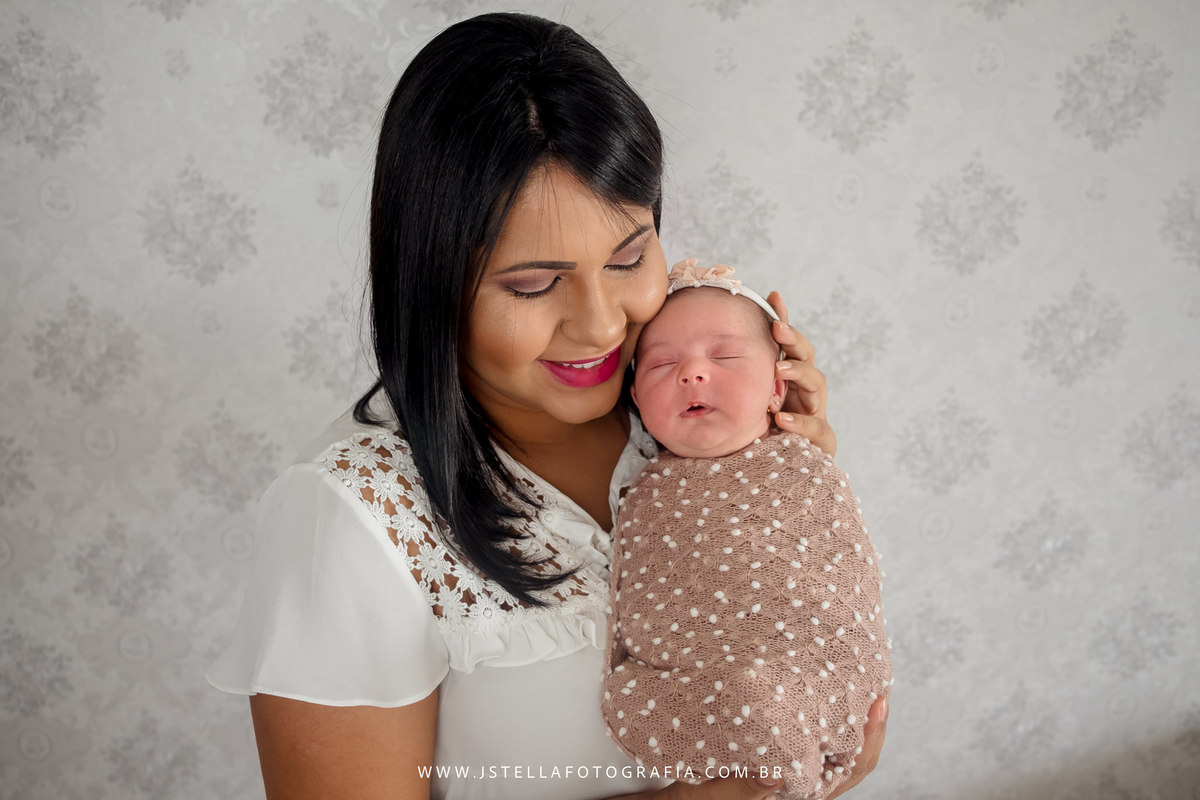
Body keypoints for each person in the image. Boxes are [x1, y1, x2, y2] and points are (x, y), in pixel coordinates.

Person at [206, 12, 885, 800]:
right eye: (532, 284)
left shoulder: (686, 411)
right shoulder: (351, 517)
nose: (602, 324)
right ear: (431, 282)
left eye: (629, 257)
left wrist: (792, 471)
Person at [602, 261, 892, 799]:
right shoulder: (638, 490)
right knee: (736, 693)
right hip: (701, 682)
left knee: (770, 693)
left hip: (805, 675)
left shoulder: (805, 469)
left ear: (778, 388)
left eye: (727, 356)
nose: (692, 373)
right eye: (662, 363)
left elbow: (840, 576)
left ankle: (785, 739)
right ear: (637, 399)